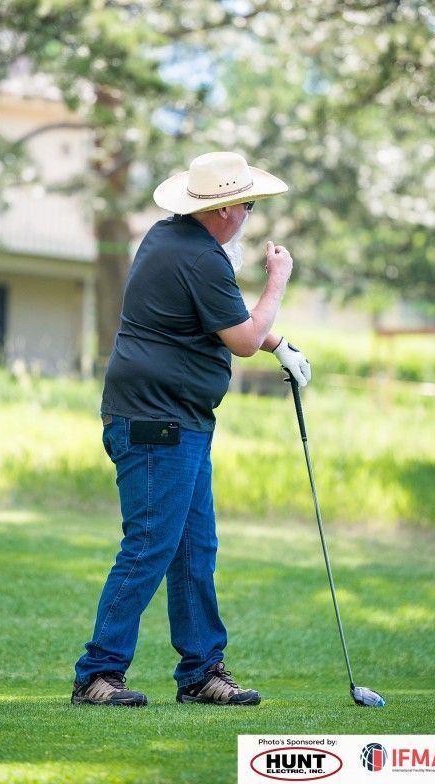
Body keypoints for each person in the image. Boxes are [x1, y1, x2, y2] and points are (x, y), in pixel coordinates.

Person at [71, 151, 311, 707]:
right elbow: (244, 338)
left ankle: (201, 673)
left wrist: (283, 345)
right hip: (158, 421)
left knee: (193, 548)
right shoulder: (201, 258)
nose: (251, 213)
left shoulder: (167, 238)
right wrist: (278, 280)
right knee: (151, 545)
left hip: (178, 418)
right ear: (226, 208)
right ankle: (97, 674)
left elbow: (215, 325)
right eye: (248, 203)